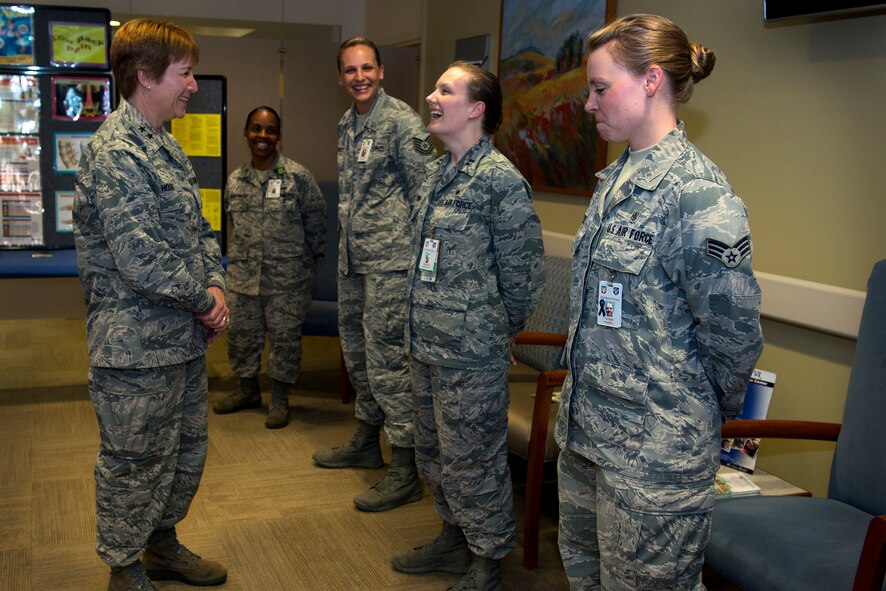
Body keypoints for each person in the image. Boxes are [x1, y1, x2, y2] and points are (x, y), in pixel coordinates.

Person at [555, 14, 764, 590]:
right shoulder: (616, 179)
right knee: (586, 576)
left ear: (651, 80)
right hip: (588, 437)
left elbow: (734, 337)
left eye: (600, 88)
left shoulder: (697, 194)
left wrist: (685, 419)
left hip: (653, 458)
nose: (589, 103)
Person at [73, 18, 228, 591]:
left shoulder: (164, 146)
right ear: (146, 76)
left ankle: (160, 544)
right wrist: (204, 300)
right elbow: (142, 260)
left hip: (179, 340)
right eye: (184, 74)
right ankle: (123, 566)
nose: (192, 85)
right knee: (133, 463)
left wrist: (214, 285)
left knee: (184, 455)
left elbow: (201, 231)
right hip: (135, 349)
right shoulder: (117, 152)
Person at [391, 62, 545, 591]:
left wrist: (492, 330)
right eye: (434, 87)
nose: (431, 97)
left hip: (469, 352)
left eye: (445, 90)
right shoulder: (438, 173)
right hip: (425, 345)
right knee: (434, 454)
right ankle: (453, 538)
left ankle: (487, 559)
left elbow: (524, 277)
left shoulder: (499, 181)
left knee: (473, 460)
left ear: (477, 108)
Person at [312, 37, 435, 512]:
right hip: (354, 262)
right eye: (349, 70)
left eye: (367, 68)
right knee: (358, 355)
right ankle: (366, 439)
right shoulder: (348, 123)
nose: (359, 77)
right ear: (340, 77)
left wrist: (421, 267)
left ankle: (404, 466)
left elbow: (426, 193)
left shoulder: (401, 122)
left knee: (388, 363)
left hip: (391, 264)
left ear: (381, 71)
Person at [213, 105, 327, 429]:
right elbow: (232, 226)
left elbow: (317, 224)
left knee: (284, 340)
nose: (263, 136)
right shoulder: (235, 181)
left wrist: (306, 269)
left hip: (287, 281)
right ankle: (247, 389)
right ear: (246, 133)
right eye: (256, 129)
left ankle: (279, 397)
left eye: (270, 130)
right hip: (243, 279)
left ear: (278, 136)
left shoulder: (297, 177)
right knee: (241, 337)